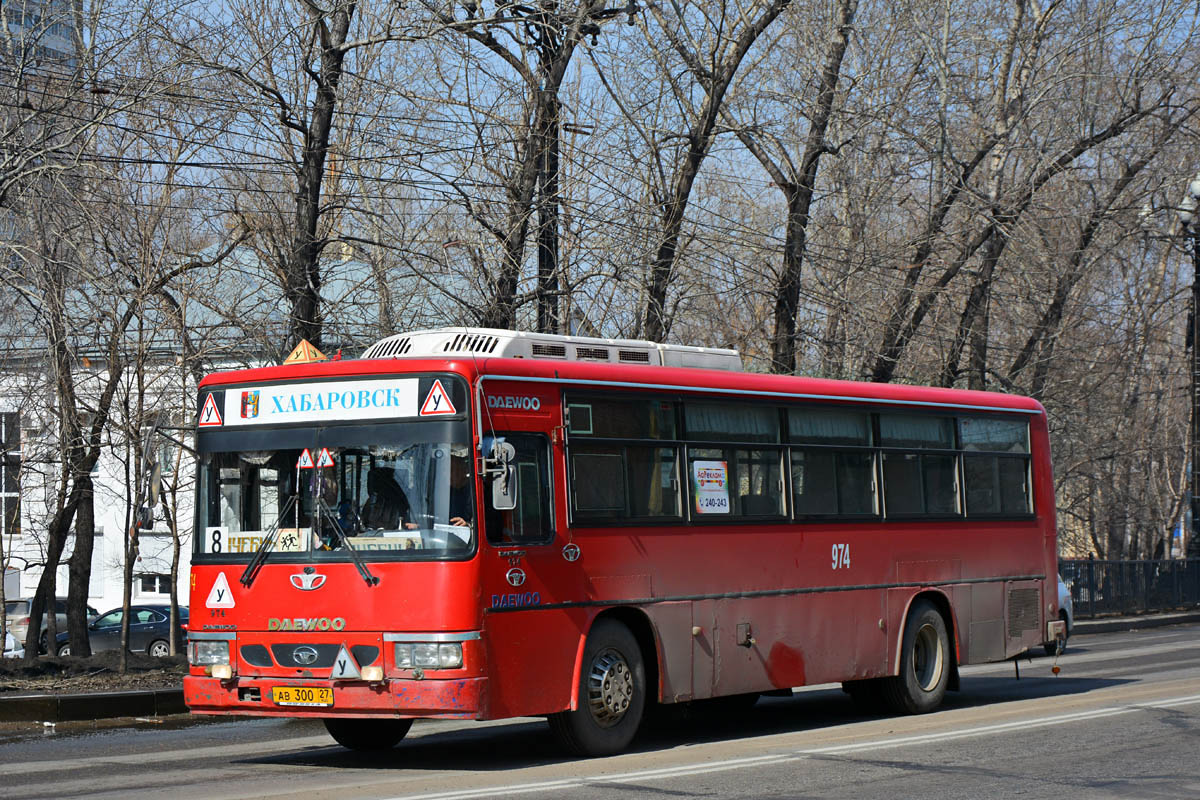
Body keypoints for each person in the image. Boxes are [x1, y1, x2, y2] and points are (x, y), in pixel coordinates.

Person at [448, 445, 473, 528]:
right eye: (445, 470)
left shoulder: (476, 492)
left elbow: (489, 523)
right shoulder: (443, 493)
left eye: (452, 470)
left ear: (464, 470)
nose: (447, 474)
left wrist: (468, 524)